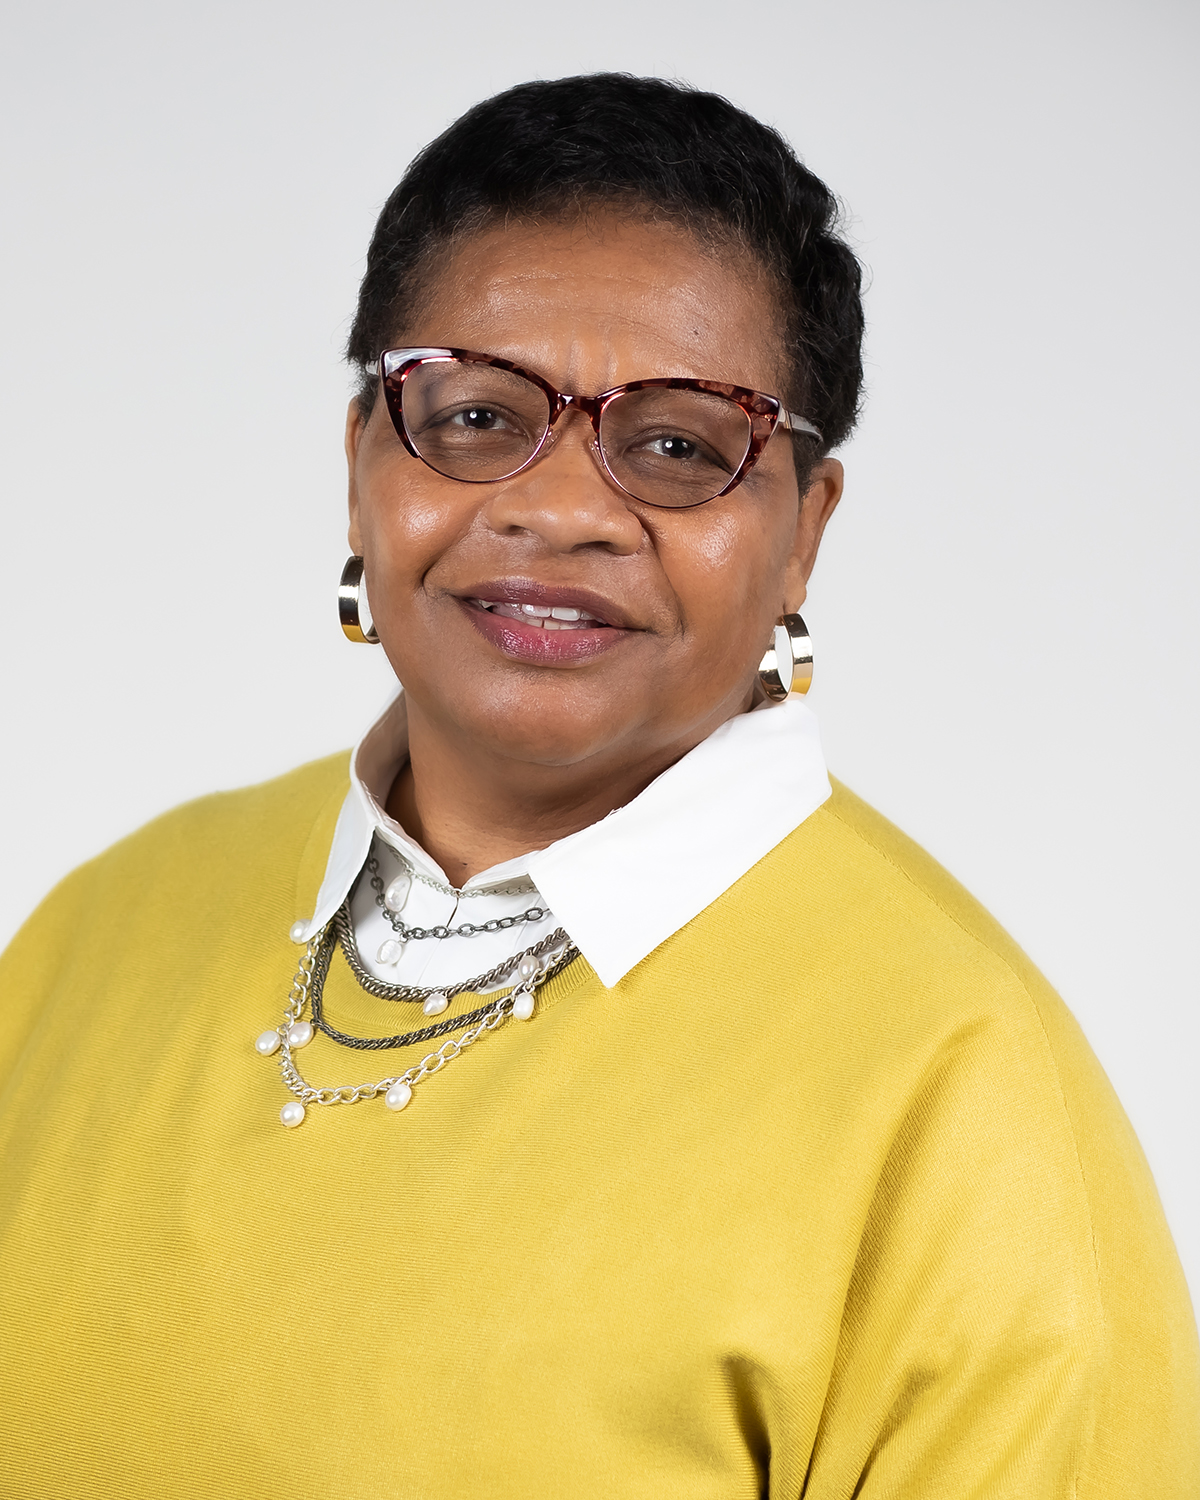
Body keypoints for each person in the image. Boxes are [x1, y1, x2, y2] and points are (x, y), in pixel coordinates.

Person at [0, 73, 1196, 1499]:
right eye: (477, 415)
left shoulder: (965, 1099)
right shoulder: (103, 923)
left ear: (803, 534)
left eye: (680, 444)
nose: (561, 510)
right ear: (361, 461)